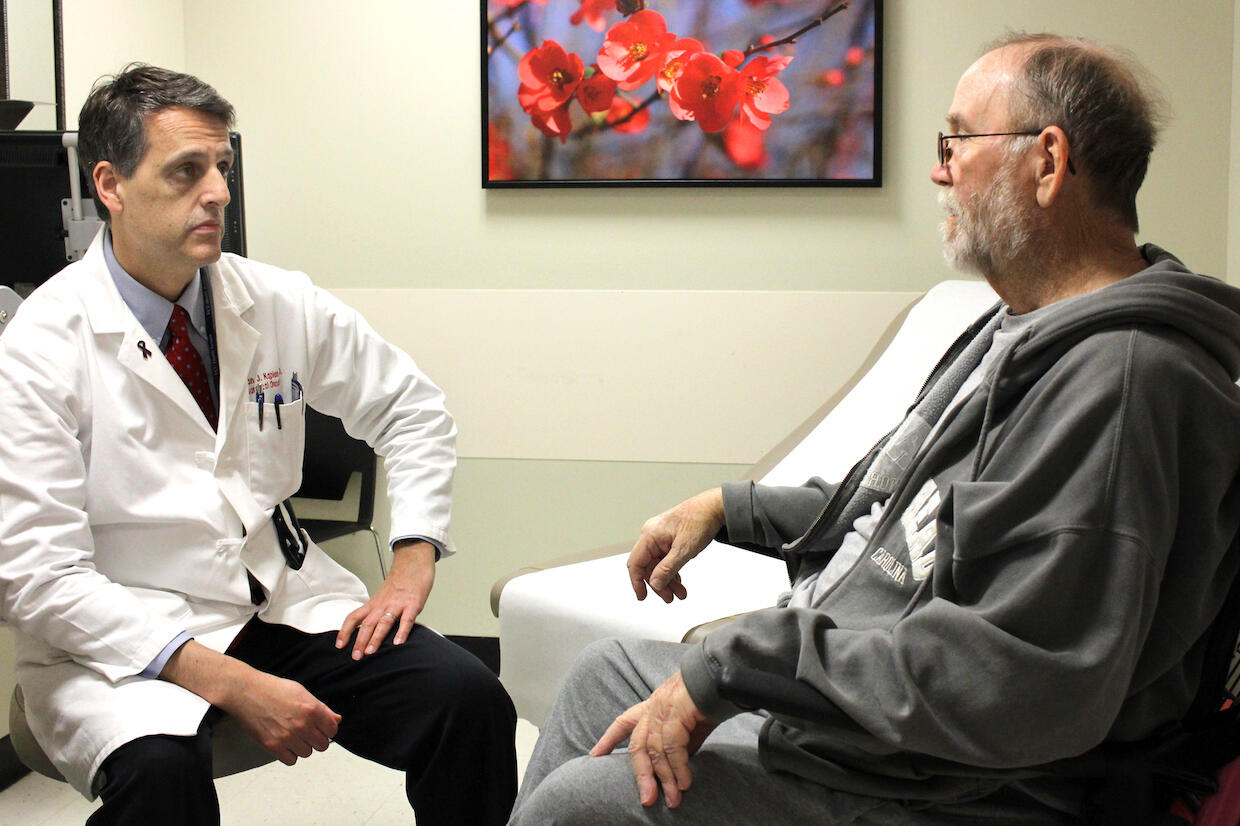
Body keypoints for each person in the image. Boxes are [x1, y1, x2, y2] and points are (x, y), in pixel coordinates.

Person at [510, 32, 1240, 825]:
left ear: (1049, 161)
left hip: (964, 784)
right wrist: (729, 506)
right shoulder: (1021, 328)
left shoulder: (1127, 381)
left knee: (583, 806)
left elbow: (1022, 683)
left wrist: (740, 664)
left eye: (957, 139)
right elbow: (898, 509)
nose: (939, 168)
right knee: (604, 674)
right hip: (871, 723)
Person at [0, 64, 516, 825]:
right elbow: (37, 575)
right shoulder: (42, 343)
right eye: (186, 171)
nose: (217, 192)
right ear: (109, 185)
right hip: (123, 637)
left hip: (277, 600)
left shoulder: (270, 299)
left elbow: (412, 408)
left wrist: (412, 557)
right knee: (161, 782)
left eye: (222, 167)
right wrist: (229, 682)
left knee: (467, 702)